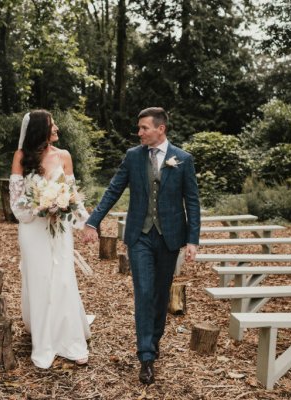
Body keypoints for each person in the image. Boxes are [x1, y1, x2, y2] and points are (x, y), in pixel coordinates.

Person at [82, 107, 200, 384]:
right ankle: (146, 356)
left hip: (170, 237)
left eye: (144, 128)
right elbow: (114, 189)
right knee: (144, 293)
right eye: (139, 128)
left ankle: (154, 341)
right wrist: (93, 221)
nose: (139, 133)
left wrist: (193, 239)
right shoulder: (133, 157)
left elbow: (192, 201)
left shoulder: (183, 159)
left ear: (161, 129)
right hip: (140, 237)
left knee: (160, 295)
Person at [9, 109, 91, 368]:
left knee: (64, 279)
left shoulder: (64, 156)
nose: (56, 128)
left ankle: (71, 340)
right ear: (39, 129)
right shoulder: (21, 157)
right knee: (41, 280)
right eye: (52, 124)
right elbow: (16, 203)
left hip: (60, 229)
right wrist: (41, 202)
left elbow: (73, 193)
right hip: (33, 230)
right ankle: (44, 341)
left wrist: (87, 224)